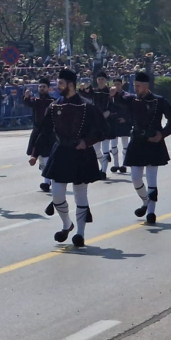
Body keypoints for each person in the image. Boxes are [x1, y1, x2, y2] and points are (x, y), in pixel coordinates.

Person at [29, 69, 104, 247]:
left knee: (80, 195)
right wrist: (34, 153)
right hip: (61, 152)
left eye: (60, 83)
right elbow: (44, 130)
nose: (57, 86)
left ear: (71, 84)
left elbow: (103, 130)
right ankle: (66, 224)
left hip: (81, 153)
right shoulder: (54, 106)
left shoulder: (87, 106)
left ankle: (80, 233)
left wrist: (87, 142)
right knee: (57, 196)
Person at [110, 72, 171, 225]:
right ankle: (146, 201)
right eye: (134, 85)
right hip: (137, 141)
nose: (135, 88)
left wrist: (162, 134)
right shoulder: (131, 100)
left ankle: (151, 212)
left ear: (146, 86)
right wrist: (114, 94)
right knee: (135, 178)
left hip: (154, 141)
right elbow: (120, 101)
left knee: (152, 180)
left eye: (138, 86)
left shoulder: (159, 101)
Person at [79, 71, 116, 180]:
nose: (100, 81)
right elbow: (83, 97)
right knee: (96, 149)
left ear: (106, 81)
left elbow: (115, 104)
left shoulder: (110, 92)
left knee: (105, 148)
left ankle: (103, 171)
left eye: (102, 79)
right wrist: (81, 89)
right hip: (94, 123)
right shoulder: (93, 91)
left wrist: (109, 112)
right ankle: (102, 164)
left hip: (106, 122)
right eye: (99, 79)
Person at [24, 77, 55, 192]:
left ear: (48, 88)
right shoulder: (36, 100)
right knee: (41, 157)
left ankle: (46, 182)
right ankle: (47, 178)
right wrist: (26, 97)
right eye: (40, 86)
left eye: (44, 87)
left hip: (48, 131)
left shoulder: (52, 101)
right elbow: (28, 103)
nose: (41, 88)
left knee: (46, 156)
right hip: (37, 130)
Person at [109, 77, 131, 174]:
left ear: (121, 85)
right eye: (115, 84)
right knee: (113, 144)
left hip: (124, 122)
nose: (116, 86)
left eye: (118, 84)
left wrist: (125, 118)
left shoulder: (126, 95)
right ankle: (116, 164)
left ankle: (124, 165)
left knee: (125, 145)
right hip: (113, 122)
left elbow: (129, 109)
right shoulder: (110, 96)